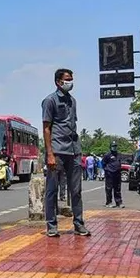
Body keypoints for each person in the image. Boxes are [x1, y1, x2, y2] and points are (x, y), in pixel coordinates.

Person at [42, 68, 91, 237]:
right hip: (57, 150)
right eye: (67, 79)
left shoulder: (72, 101)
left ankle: (79, 224)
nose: (70, 83)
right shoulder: (50, 101)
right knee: (52, 190)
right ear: (58, 82)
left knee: (76, 190)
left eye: (71, 79)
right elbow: (46, 128)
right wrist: (49, 154)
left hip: (74, 150)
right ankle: (51, 226)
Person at [102, 141, 124, 208]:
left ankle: (119, 202)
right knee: (109, 188)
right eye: (113, 146)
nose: (114, 147)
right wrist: (107, 170)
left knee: (117, 188)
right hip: (109, 173)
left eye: (115, 146)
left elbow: (119, 162)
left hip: (117, 173)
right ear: (110, 147)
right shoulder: (107, 155)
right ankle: (109, 202)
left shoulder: (118, 154)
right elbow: (103, 163)